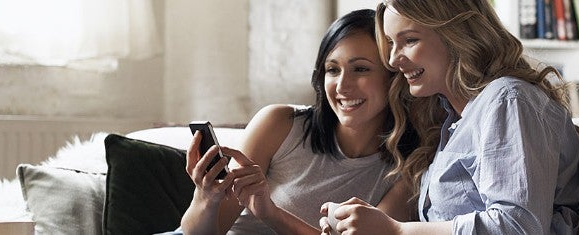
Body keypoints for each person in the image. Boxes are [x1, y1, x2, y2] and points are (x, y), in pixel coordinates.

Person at [319, 0, 579, 234]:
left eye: (409, 40)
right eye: (391, 43)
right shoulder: (452, 120)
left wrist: (396, 230)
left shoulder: (508, 99)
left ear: (455, 34)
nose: (392, 60)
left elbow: (518, 226)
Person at [177, 9, 419, 235]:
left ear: (393, 77)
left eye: (360, 69)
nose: (342, 87)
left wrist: (270, 213)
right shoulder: (279, 124)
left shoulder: (410, 168)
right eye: (333, 70)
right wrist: (206, 196)